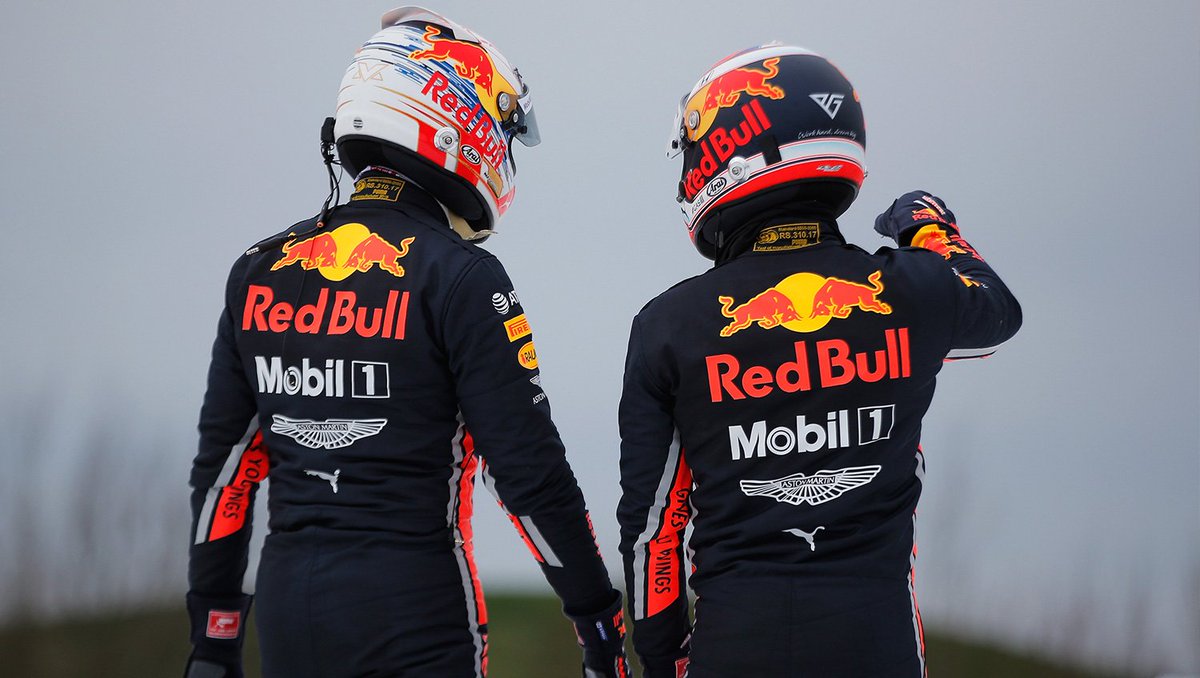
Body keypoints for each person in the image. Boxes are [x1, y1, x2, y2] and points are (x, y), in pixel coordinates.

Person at [184, 7, 628, 678]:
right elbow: (529, 474)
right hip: (414, 612)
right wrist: (598, 621)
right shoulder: (460, 274)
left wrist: (214, 640)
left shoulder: (258, 268)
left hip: (289, 614)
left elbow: (224, 477)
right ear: (456, 116)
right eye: (503, 128)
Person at [617, 43, 1022, 677]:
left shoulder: (669, 323)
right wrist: (927, 226)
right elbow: (997, 311)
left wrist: (662, 657)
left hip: (735, 644)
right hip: (878, 642)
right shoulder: (909, 288)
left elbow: (652, 529)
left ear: (731, 148)